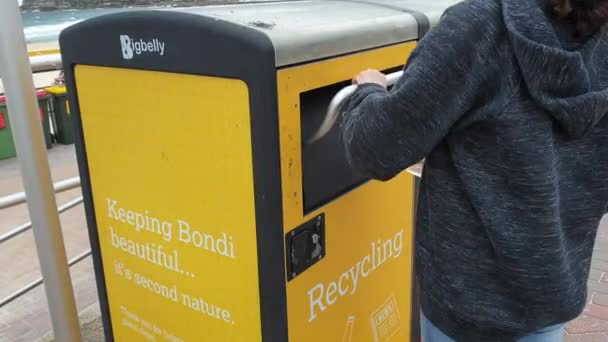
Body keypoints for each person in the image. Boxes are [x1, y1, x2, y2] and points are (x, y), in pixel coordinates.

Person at [339, 0, 608, 341]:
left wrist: (367, 92)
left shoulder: (481, 27)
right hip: (551, 299)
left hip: (465, 310)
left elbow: (375, 148)